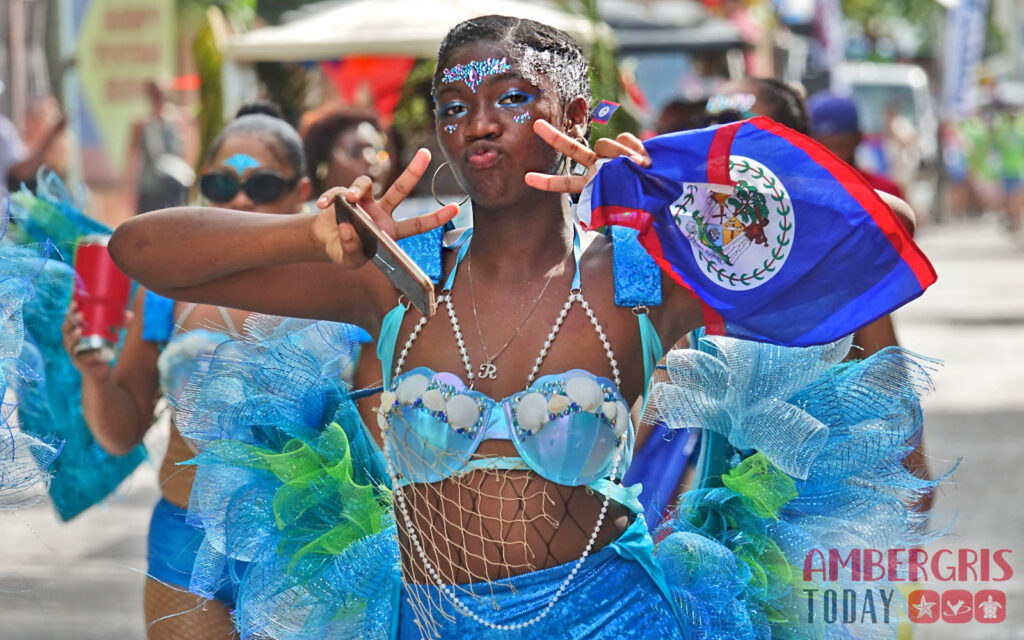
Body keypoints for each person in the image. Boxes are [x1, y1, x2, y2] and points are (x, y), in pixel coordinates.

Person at [109, 16, 940, 639]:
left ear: (573, 114)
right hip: (423, 620)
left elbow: (878, 228)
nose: (479, 124)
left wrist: (671, 182)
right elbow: (139, 249)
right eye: (455, 104)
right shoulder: (396, 275)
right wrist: (308, 231)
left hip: (612, 618)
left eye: (512, 99)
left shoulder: (643, 278)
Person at [62, 111, 311, 639]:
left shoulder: (339, 292)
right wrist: (95, 374)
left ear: (302, 192)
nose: (240, 202)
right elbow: (121, 431)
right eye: (222, 185)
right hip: (185, 544)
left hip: (307, 553)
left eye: (262, 186)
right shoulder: (166, 287)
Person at [126, 79, 194, 214]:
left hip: (173, 186)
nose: (159, 99)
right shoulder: (141, 124)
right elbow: (132, 158)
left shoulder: (177, 121)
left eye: (162, 94)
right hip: (150, 188)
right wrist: (129, 190)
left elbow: (185, 153)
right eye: (156, 95)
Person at [300, 105, 393, 197]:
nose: (370, 160)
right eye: (354, 152)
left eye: (377, 150)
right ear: (324, 168)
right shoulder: (306, 211)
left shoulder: (404, 210)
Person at [1, 81, 67, 196]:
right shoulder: (4, 130)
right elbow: (22, 170)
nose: (30, 121)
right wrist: (50, 138)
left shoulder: (4, 130)